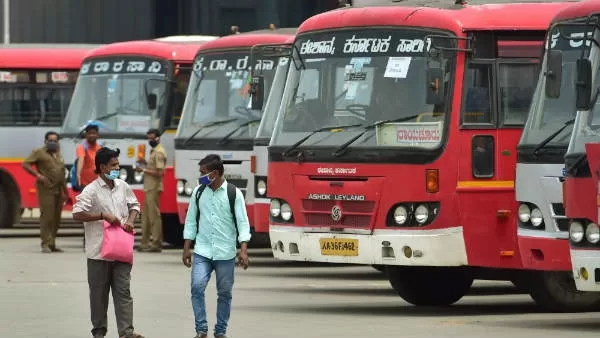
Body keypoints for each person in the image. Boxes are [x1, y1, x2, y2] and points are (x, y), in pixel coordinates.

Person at [72, 147, 145, 338]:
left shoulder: (122, 185)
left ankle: (127, 332)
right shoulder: (91, 190)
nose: (117, 167)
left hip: (121, 250)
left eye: (117, 164)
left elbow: (135, 205)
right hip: (98, 252)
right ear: (103, 167)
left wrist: (130, 220)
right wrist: (102, 215)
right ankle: (99, 332)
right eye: (114, 164)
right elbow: (77, 214)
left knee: (123, 292)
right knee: (98, 295)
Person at [182, 154, 251, 338]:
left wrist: (243, 250)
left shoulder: (233, 193)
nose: (201, 176)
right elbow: (190, 221)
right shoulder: (198, 192)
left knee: (225, 293)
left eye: (203, 173)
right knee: (197, 287)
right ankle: (201, 329)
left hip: (225, 253)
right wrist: (186, 247)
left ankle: (220, 331)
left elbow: (243, 223)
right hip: (202, 251)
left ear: (216, 173)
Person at [22, 131, 69, 253]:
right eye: (50, 140)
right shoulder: (39, 152)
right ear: (45, 141)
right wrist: (38, 175)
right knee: (47, 216)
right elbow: (25, 164)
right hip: (46, 189)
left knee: (56, 218)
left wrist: (66, 192)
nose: (53, 143)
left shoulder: (58, 154)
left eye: (55, 140)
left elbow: (62, 174)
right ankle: (45, 244)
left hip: (58, 189)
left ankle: (52, 243)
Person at [136, 128, 167, 252]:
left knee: (154, 216)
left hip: (154, 187)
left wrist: (143, 170)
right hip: (149, 187)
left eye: (152, 138)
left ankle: (156, 243)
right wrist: (145, 163)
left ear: (158, 138)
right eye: (148, 138)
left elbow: (160, 173)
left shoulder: (159, 152)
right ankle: (144, 243)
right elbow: (153, 167)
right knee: (146, 217)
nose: (150, 140)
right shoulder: (154, 151)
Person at [76, 122, 103, 190]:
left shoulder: (100, 148)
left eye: (93, 133)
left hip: (98, 184)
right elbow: (81, 160)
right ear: (86, 135)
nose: (91, 135)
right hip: (85, 184)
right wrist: (78, 174)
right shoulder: (82, 147)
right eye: (89, 133)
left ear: (97, 135)